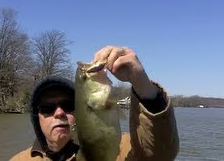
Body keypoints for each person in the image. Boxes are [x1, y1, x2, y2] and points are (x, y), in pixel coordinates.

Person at [10, 46, 179, 161]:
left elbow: (160, 154)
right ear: (36, 117)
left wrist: (141, 83)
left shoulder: (125, 146)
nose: (59, 113)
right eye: (47, 108)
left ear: (79, 110)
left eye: (68, 105)